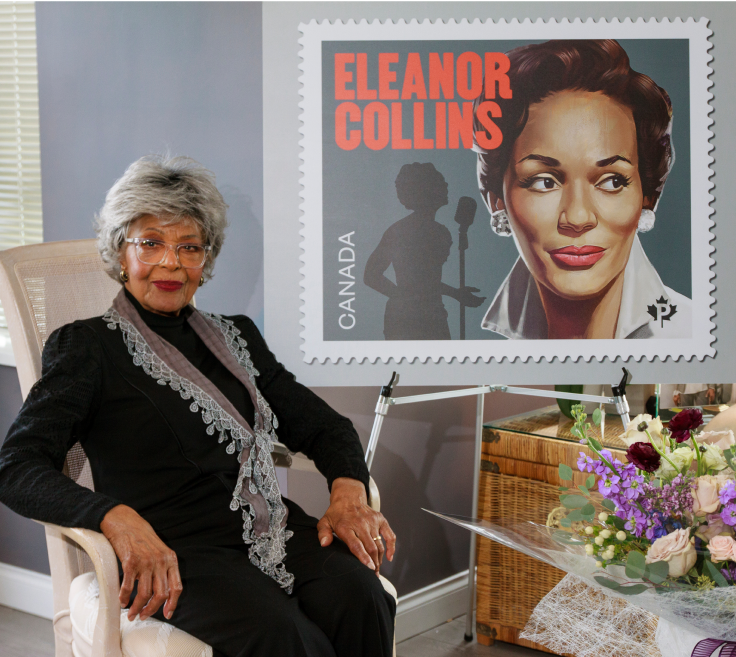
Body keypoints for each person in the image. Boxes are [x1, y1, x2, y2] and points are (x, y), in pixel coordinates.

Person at [0, 155, 396, 657]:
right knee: (287, 639)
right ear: (120, 253)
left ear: (205, 263)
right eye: (151, 243)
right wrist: (114, 516)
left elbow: (324, 426)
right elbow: (15, 467)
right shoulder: (86, 348)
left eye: (189, 247)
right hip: (173, 551)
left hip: (270, 530)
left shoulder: (238, 338)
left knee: (361, 597)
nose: (171, 262)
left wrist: (347, 494)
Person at [472, 40, 691, 340]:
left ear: (647, 195)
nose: (577, 218)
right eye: (544, 181)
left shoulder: (696, 335)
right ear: (497, 200)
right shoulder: (474, 351)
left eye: (612, 181)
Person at [364, 162, 484, 340]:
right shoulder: (401, 231)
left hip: (432, 313)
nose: (446, 185)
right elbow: (371, 275)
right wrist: (405, 299)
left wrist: (456, 294)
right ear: (425, 189)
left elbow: (424, 283)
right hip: (408, 319)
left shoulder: (439, 232)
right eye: (440, 182)